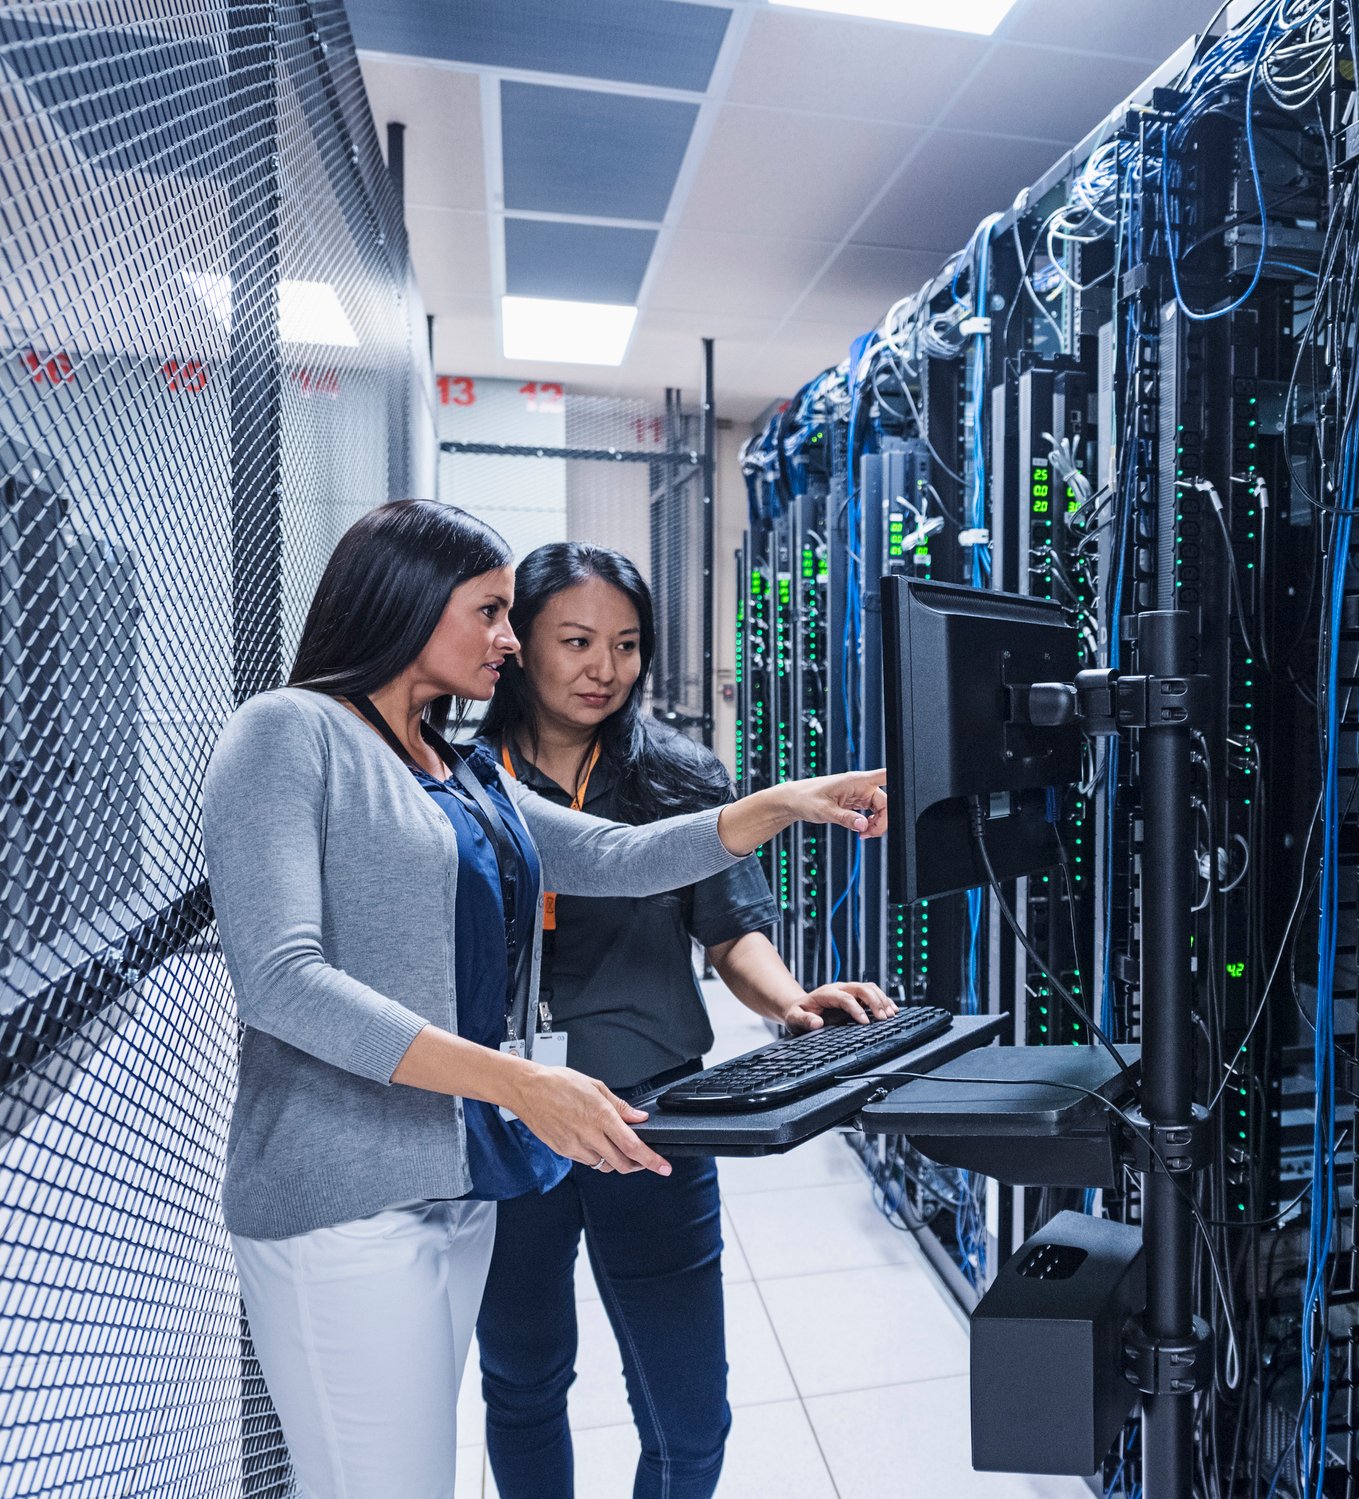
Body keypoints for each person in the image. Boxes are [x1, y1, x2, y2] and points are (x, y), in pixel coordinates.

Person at [200, 501, 887, 1499]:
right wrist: (523, 1081)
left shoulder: (449, 766)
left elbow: (619, 853)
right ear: (408, 602)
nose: (510, 641)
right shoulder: (287, 730)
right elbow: (279, 978)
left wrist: (779, 802)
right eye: (492, 612)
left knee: (417, 1471)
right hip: (344, 1189)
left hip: (457, 1177)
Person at [470, 542, 895, 1499]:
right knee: (524, 1382)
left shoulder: (679, 775)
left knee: (690, 1414)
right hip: (508, 1119)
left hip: (657, 1119)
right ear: (518, 641)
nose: (603, 669)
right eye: (575, 640)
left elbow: (728, 928)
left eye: (625, 644)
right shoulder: (460, 779)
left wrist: (790, 1001)